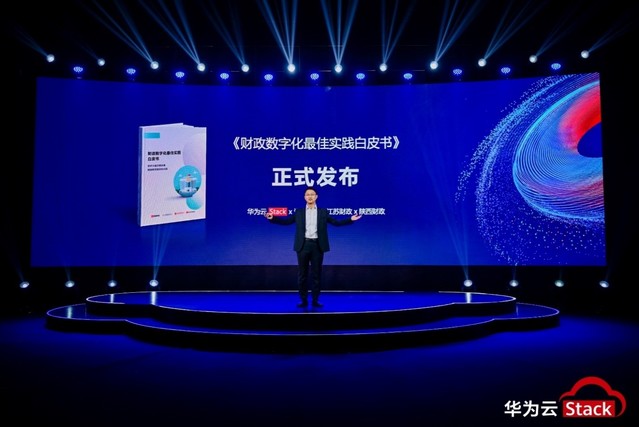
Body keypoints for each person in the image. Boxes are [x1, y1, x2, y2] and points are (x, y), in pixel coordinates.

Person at [265, 186, 362, 308]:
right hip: (303, 245)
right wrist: (273, 218)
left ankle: (315, 300)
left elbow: (336, 223)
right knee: (302, 275)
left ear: (316, 197)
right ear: (304, 197)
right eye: (307, 194)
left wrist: (350, 219)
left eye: (312, 194)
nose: (310, 196)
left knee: (316, 275)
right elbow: (286, 222)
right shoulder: (299, 212)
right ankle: (303, 300)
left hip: (317, 246)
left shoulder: (323, 212)